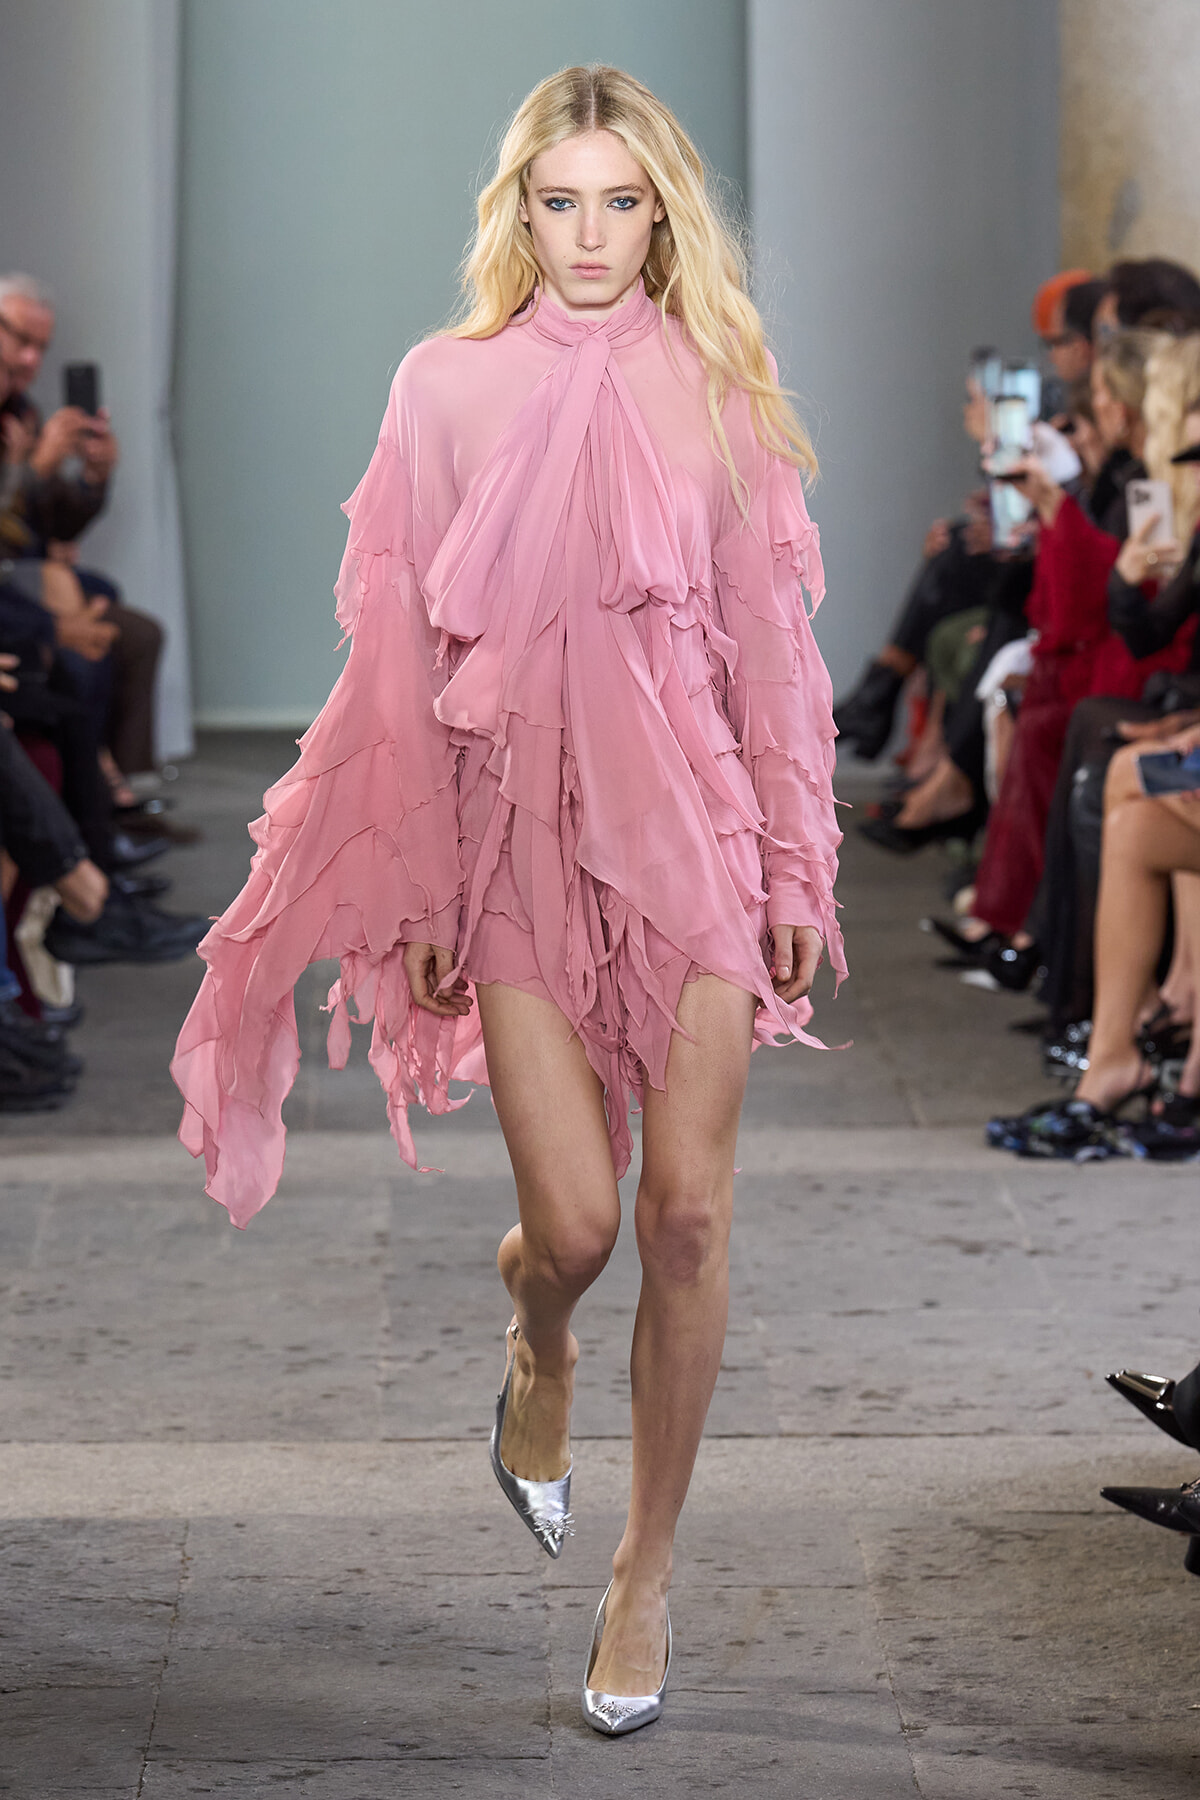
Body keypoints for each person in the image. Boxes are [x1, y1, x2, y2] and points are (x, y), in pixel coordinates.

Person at [172, 65, 842, 1734]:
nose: (594, 233)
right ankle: (535, 1341)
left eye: (624, 201)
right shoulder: (444, 388)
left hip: (690, 834)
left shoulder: (728, 389)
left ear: (666, 211)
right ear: (519, 211)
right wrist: (414, 872)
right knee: (582, 1225)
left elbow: (773, 649)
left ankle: (644, 1573)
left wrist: (795, 853)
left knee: (687, 1215)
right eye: (563, 200)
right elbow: (394, 655)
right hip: (514, 846)